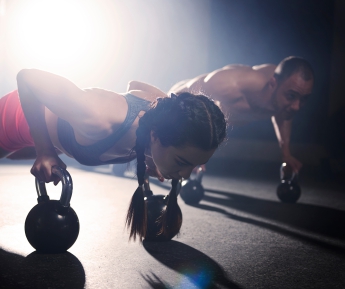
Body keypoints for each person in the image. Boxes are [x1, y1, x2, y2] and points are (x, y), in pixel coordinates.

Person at [0, 69, 227, 241]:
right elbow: (26, 78)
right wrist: (45, 150)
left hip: (38, 136)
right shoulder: (98, 117)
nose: (186, 174)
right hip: (13, 119)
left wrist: (152, 156)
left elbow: (135, 84)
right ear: (156, 135)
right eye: (182, 162)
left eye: (195, 165)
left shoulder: (160, 112)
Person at [167, 56, 314, 173]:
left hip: (224, 120)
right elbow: (182, 96)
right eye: (291, 96)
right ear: (273, 84)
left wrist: (286, 153)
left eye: (303, 99)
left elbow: (284, 115)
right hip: (181, 95)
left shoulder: (286, 97)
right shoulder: (235, 84)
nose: (297, 106)